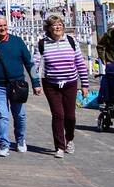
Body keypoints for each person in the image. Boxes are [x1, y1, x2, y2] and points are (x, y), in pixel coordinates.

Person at [0, 14, 39, 157]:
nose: (2, 28)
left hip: (17, 85)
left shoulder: (17, 42)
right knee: (2, 114)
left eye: (4, 25)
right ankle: (3, 144)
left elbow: (29, 63)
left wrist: (36, 83)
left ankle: (21, 140)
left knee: (20, 115)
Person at [36, 14, 90, 157]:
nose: (58, 27)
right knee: (58, 115)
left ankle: (70, 139)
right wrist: (36, 84)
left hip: (70, 83)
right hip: (51, 84)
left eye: (60, 24)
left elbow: (80, 64)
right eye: (54, 25)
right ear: (49, 28)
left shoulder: (71, 41)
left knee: (70, 116)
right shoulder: (42, 43)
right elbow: (35, 64)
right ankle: (60, 146)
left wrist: (85, 85)